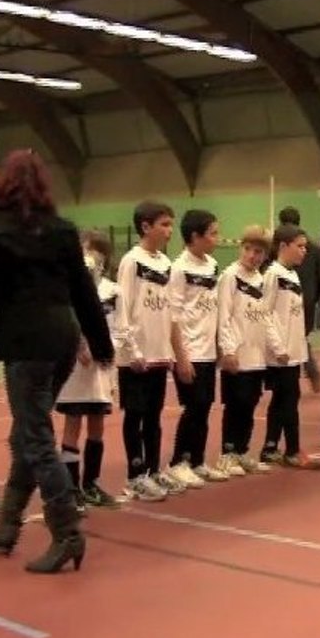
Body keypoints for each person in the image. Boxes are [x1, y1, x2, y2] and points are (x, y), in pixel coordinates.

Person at [0, 149, 113, 574]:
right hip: (61, 340)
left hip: (24, 346)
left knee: (35, 437)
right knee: (28, 431)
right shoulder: (62, 231)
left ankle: (67, 533)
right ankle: (7, 525)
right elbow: (84, 292)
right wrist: (101, 343)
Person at [115, 201, 182, 502]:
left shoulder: (165, 264)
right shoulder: (131, 261)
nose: (170, 231)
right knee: (136, 415)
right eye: (164, 224)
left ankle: (154, 470)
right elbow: (123, 308)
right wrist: (132, 350)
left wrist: (168, 349)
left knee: (154, 417)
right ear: (145, 227)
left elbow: (167, 310)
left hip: (159, 354)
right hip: (136, 358)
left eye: (170, 225)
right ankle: (135, 475)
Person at [55, 230, 119, 512]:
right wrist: (77, 345)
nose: (88, 257)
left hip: (100, 367)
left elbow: (119, 327)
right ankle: (71, 490)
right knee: (72, 424)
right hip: (74, 368)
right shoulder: (67, 288)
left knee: (97, 426)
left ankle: (91, 484)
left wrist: (104, 350)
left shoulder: (112, 291)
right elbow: (65, 320)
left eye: (93, 251)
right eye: (83, 250)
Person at [167, 209, 224, 485]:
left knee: (205, 407)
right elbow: (174, 315)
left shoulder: (212, 265)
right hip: (190, 350)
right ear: (194, 236)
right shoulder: (178, 269)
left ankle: (198, 461)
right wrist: (181, 357)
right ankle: (178, 461)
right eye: (212, 233)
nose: (217, 238)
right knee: (193, 406)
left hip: (209, 350)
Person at [217, 225, 275, 476]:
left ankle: (242, 451)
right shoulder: (230, 276)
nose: (253, 255)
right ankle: (228, 453)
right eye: (249, 249)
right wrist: (228, 350)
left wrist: (275, 347)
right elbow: (224, 316)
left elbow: (265, 317)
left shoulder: (262, 281)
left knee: (250, 404)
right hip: (237, 355)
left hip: (257, 357)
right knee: (235, 404)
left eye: (259, 252)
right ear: (241, 248)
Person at [261, 224, 317, 469]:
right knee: (289, 399)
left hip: (294, 351)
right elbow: (265, 313)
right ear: (283, 246)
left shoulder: (292, 274)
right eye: (300, 246)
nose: (304, 251)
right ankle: (293, 450)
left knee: (283, 399)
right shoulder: (273, 274)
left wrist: (300, 350)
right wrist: (277, 346)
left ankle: (270, 446)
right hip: (280, 354)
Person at [277, 206, 320, 393]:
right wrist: (315, 295)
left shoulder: (281, 243)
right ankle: (309, 372)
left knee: (292, 338)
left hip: (291, 297)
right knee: (300, 337)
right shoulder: (312, 245)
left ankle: (302, 373)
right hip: (309, 298)